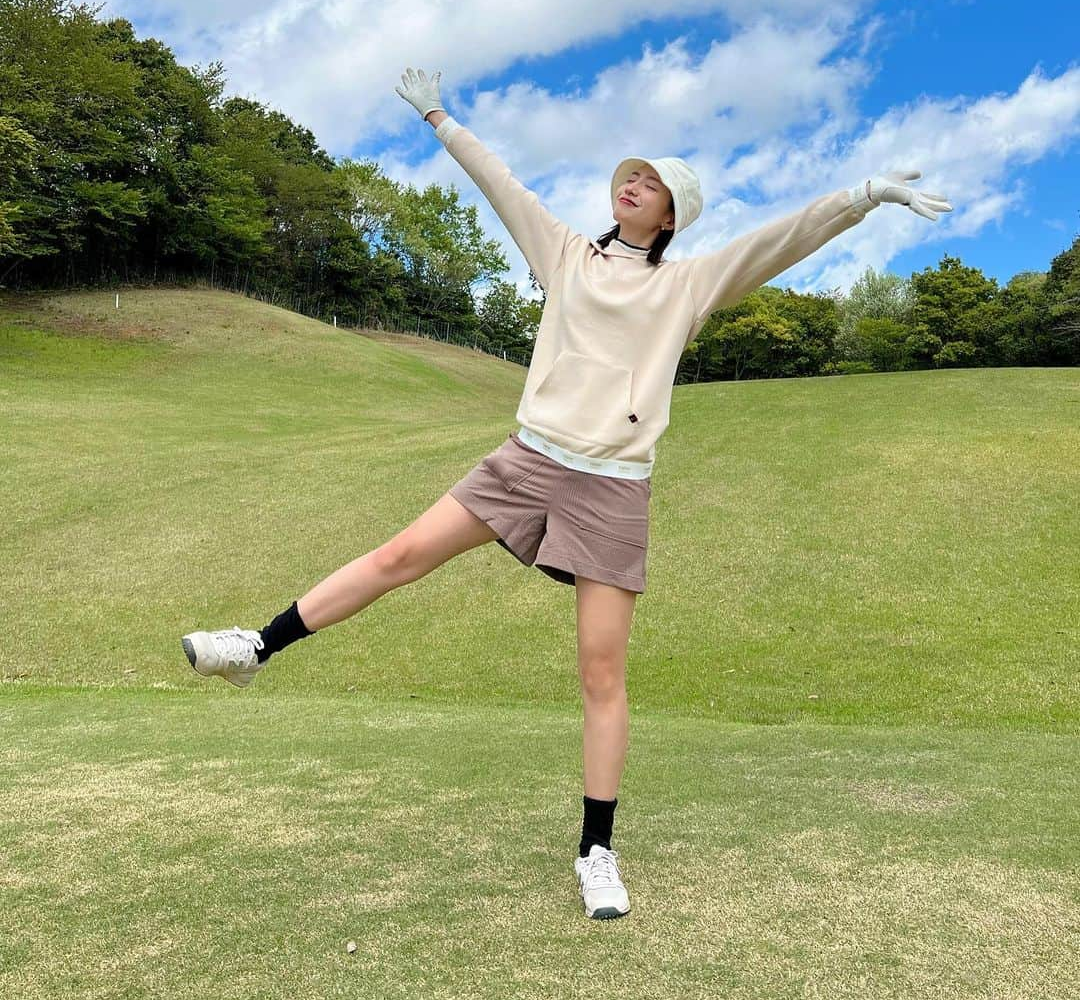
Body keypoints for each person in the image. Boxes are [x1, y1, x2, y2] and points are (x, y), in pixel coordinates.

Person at [182, 66, 953, 921]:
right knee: (400, 554)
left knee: (600, 673)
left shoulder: (688, 284)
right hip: (529, 459)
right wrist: (439, 115)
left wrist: (865, 196)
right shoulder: (565, 253)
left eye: (654, 181)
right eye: (633, 171)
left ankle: (597, 851)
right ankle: (256, 646)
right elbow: (499, 181)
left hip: (614, 486)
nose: (636, 181)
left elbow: (781, 241)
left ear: (670, 215)